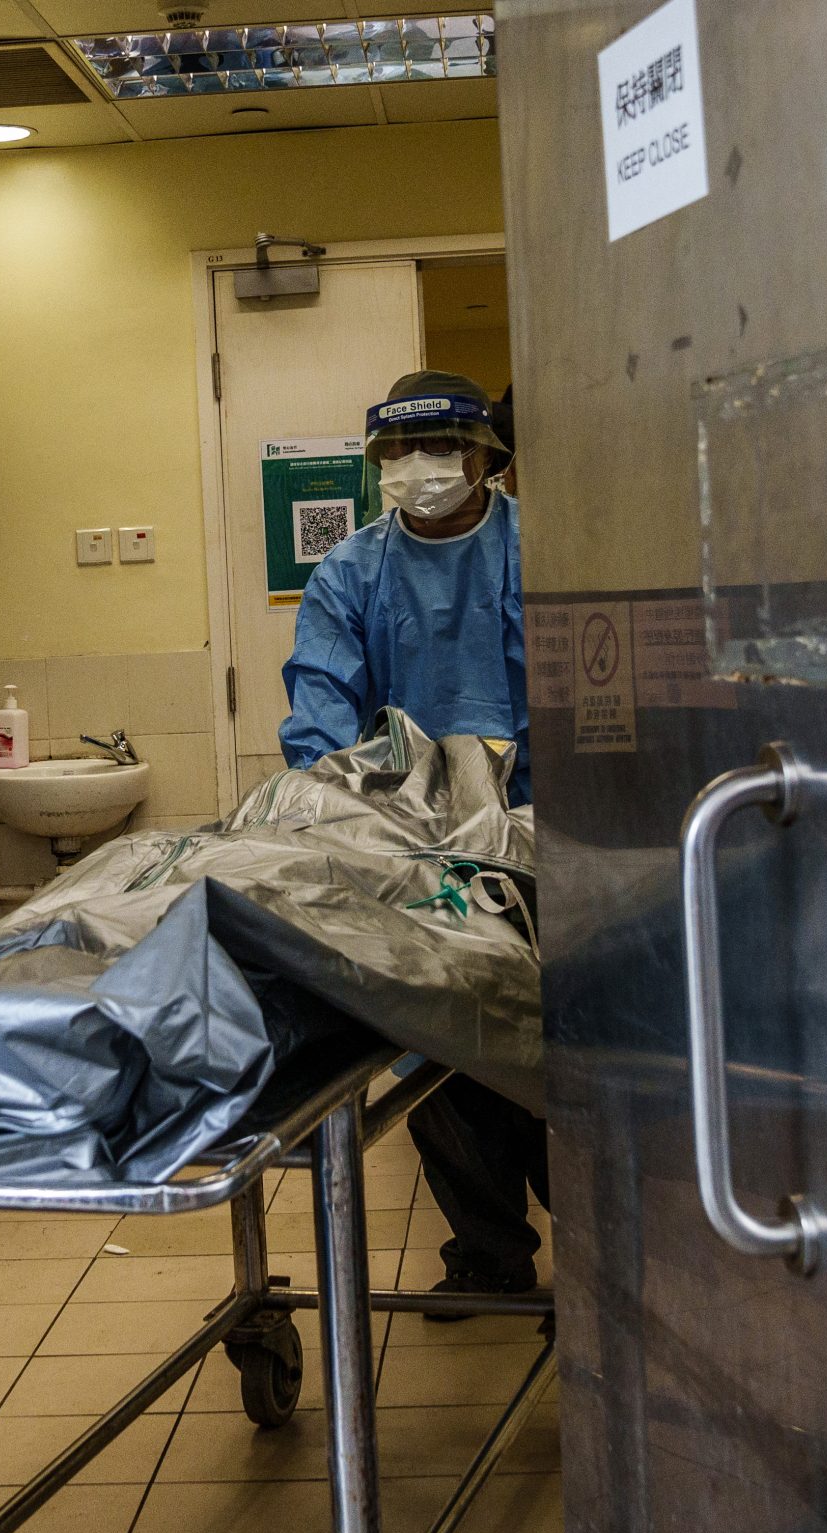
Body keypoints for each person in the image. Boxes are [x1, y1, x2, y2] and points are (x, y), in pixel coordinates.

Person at [278, 369, 548, 1300]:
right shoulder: (352, 574)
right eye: (399, 452)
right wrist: (353, 821)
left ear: (484, 459)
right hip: (411, 843)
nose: (418, 468)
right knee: (437, 1046)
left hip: (541, 835)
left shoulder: (539, 551)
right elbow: (319, 725)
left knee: (564, 1044)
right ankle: (488, 1253)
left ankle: (602, 1268)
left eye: (439, 450)